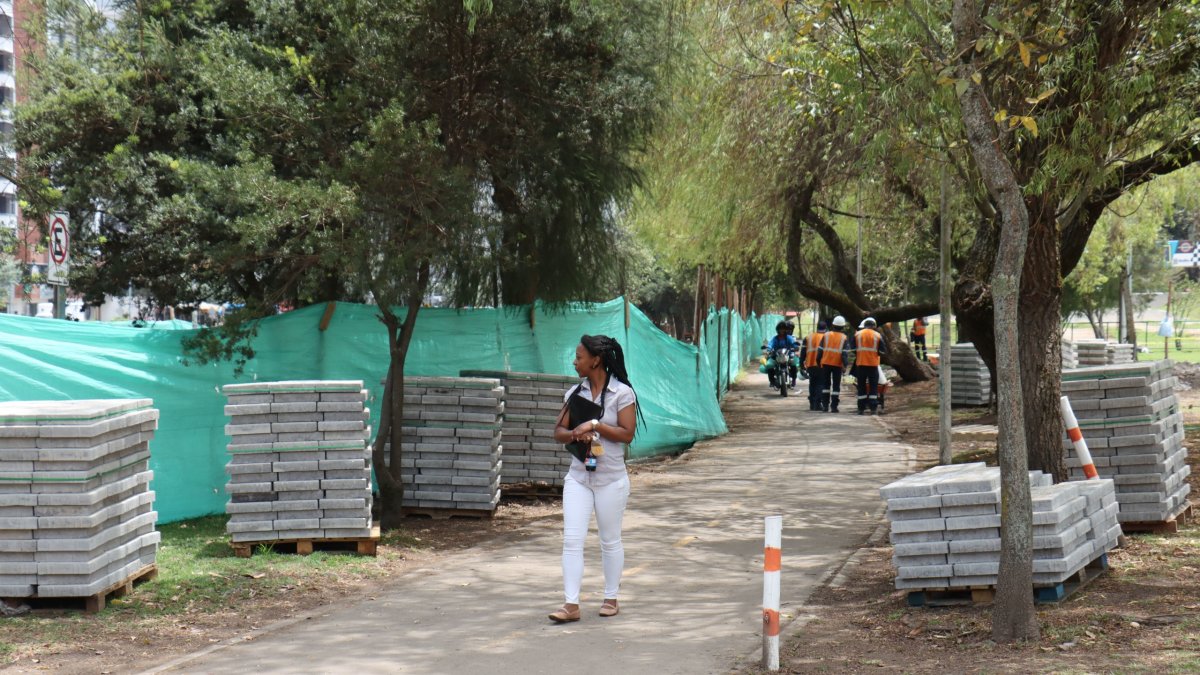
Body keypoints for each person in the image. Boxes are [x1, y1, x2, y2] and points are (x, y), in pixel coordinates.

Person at [550, 334, 641, 623]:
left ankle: (611, 597)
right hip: (578, 477)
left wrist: (596, 424)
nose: (575, 362)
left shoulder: (622, 393)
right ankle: (570, 604)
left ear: (595, 360)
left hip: (611, 479)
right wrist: (577, 432)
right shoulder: (574, 394)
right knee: (572, 540)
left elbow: (627, 434)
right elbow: (559, 432)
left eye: (579, 358)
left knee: (609, 540)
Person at [852, 317, 888, 415]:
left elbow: (853, 349)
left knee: (861, 387)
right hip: (873, 365)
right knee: (873, 388)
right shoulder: (877, 335)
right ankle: (873, 409)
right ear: (874, 326)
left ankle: (861, 409)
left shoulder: (857, 334)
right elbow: (883, 351)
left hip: (860, 364)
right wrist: (875, 354)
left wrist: (860, 354)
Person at [818, 316, 851, 412]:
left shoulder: (826, 335)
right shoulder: (844, 337)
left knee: (825, 385)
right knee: (836, 386)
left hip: (825, 363)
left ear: (833, 325)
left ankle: (825, 406)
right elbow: (844, 354)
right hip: (837, 365)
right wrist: (845, 366)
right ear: (843, 327)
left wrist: (818, 361)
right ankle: (834, 406)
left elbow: (820, 351)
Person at [799, 320, 828, 411]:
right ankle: (817, 403)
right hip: (821, 364)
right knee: (820, 384)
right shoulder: (827, 337)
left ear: (817, 327)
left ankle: (812, 403)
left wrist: (801, 364)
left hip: (810, 364)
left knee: (812, 384)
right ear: (825, 328)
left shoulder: (808, 337)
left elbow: (803, 352)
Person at [763, 320, 800, 389]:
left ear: (786, 330)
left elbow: (793, 343)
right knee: (769, 365)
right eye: (780, 329)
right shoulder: (775, 338)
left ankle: (794, 380)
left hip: (787, 355)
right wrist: (768, 349)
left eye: (784, 329)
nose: (782, 330)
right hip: (776, 356)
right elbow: (770, 344)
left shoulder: (789, 338)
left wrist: (795, 347)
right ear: (778, 330)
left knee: (794, 365)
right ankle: (772, 381)